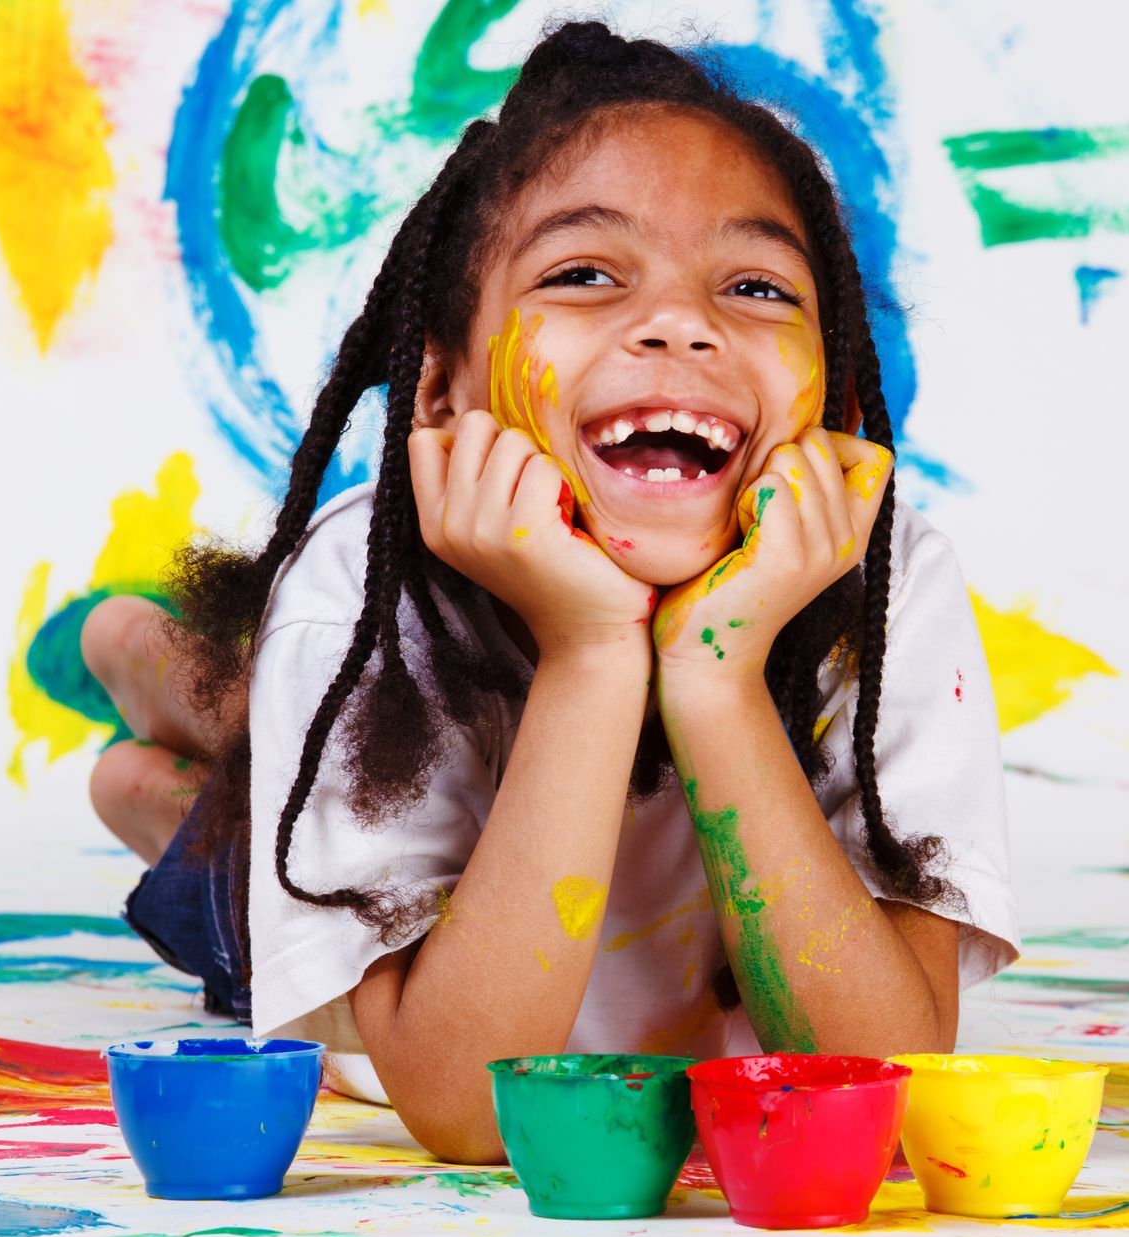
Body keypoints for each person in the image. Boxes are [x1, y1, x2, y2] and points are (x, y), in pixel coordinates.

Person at [80, 20, 1016, 1163]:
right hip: (390, 947)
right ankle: (137, 655)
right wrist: (592, 653)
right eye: (584, 273)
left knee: (150, 778)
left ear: (833, 401)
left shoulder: (889, 584)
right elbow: (468, 1113)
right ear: (438, 388)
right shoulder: (356, 594)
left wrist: (712, 676)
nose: (683, 323)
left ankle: (164, 752)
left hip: (344, 851)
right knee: (175, 677)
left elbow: (894, 1090)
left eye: (756, 286)